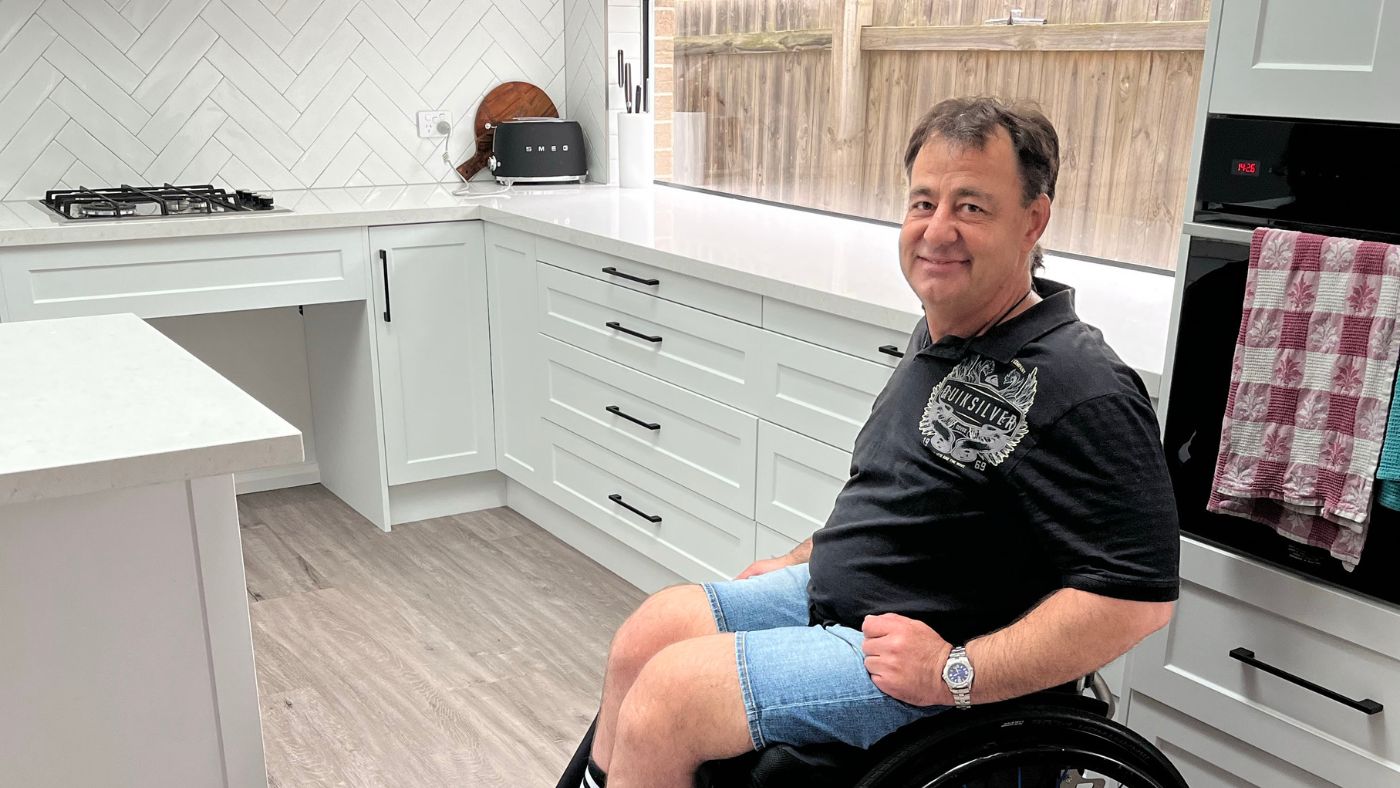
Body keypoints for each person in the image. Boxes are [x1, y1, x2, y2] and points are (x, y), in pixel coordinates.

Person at [566, 96, 1181, 788]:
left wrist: (958, 672)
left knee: (671, 699)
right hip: (850, 599)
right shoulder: (945, 332)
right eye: (923, 203)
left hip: (928, 658)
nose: (937, 231)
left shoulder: (1082, 383)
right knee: (647, 636)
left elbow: (1136, 599)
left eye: (971, 207)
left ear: (1033, 220)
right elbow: (903, 495)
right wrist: (808, 556)